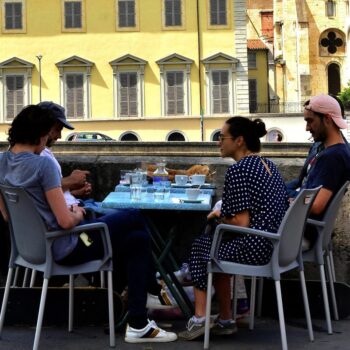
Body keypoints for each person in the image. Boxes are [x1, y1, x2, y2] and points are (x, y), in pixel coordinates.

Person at [0, 105, 177, 343]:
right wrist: (78, 213)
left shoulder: (1, 162)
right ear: (41, 133)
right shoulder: (42, 165)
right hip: (65, 248)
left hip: (28, 251)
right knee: (134, 215)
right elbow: (64, 221)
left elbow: (8, 216)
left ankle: (139, 320)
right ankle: (151, 293)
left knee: (138, 240)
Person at [179, 117, 289, 340]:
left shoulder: (238, 170)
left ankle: (199, 319)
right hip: (274, 244)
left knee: (202, 246)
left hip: (256, 248)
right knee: (216, 244)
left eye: (222, 137)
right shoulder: (267, 165)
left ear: (239, 141)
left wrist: (218, 218)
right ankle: (226, 319)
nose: (218, 142)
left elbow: (240, 223)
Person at [299, 94, 350, 249]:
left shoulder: (333, 156)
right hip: (305, 229)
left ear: (327, 119)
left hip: (301, 233)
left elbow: (316, 205)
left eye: (310, 121)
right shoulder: (339, 151)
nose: (307, 128)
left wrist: (293, 200)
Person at [37, 101, 92, 208]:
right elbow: (39, 189)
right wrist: (72, 180)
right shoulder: (36, 155)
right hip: (72, 214)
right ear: (44, 126)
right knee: (132, 214)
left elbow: (46, 193)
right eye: (57, 130)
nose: (59, 136)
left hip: (73, 205)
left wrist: (73, 192)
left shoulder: (43, 152)